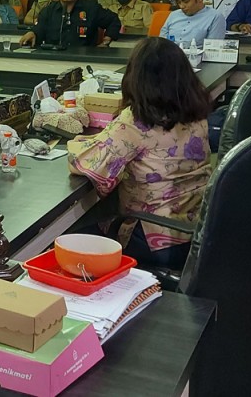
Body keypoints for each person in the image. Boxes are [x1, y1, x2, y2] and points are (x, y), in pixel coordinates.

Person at [67, 37, 212, 269]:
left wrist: (75, 145)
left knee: (75, 229)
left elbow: (85, 165)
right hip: (198, 231)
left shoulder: (135, 122)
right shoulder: (197, 113)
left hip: (154, 239)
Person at [20, 0, 121, 48]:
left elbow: (114, 20)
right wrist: (32, 33)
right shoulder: (49, 10)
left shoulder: (91, 8)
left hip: (84, 58)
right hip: (54, 58)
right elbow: (40, 28)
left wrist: (106, 41)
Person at [159, 0, 226, 48]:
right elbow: (161, 42)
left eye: (186, 2)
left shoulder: (215, 17)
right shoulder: (173, 15)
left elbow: (212, 50)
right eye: (179, 2)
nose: (182, 6)